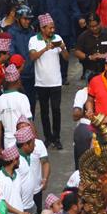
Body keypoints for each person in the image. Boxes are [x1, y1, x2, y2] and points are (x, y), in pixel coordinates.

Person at [29, 13, 69, 150]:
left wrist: (62, 47)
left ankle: (56, 137)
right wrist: (46, 48)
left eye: (53, 28)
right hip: (41, 83)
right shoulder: (34, 40)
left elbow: (67, 58)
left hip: (56, 82)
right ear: (42, 28)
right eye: (49, 28)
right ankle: (48, 137)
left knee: (56, 110)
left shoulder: (58, 38)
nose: (52, 30)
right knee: (44, 112)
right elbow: (32, 57)